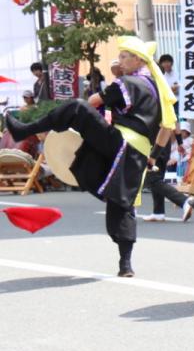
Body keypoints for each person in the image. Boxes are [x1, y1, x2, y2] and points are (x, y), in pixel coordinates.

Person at [4, 36, 177, 276]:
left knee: (77, 107)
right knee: (122, 203)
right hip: (138, 152)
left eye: (125, 56)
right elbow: (167, 128)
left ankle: (24, 129)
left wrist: (75, 120)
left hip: (118, 142)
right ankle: (125, 265)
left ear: (139, 60)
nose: (120, 60)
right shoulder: (157, 88)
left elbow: (93, 101)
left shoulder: (126, 83)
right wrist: (154, 156)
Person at [143, 124, 192, 222]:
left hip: (157, 143)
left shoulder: (160, 107)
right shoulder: (169, 108)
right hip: (164, 143)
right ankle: (158, 212)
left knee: (153, 179)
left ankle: (184, 201)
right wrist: (179, 142)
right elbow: (175, 122)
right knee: (156, 178)